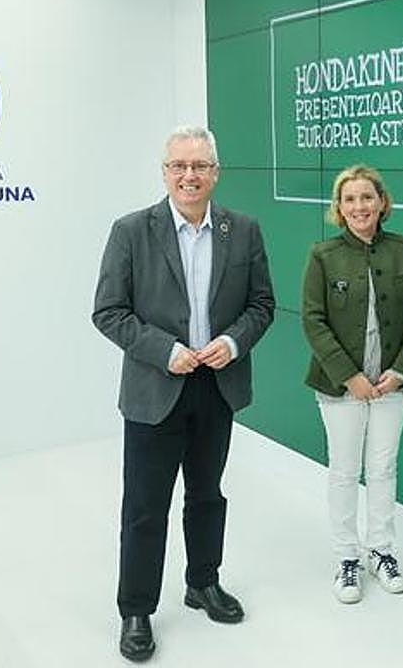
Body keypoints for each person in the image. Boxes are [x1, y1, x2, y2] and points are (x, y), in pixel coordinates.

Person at [93, 125, 274, 662]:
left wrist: (233, 342)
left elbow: (262, 305)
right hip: (156, 389)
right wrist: (163, 349)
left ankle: (203, 583)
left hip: (216, 387)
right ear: (165, 172)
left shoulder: (242, 230)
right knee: (145, 507)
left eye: (200, 166)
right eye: (179, 166)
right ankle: (136, 610)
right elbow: (108, 312)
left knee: (207, 495)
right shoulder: (131, 231)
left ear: (216, 173)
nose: (189, 176)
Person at [301, 165, 403, 604]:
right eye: (350, 199)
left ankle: (382, 551)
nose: (359, 206)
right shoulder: (322, 255)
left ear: (381, 203)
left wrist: (401, 369)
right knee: (344, 471)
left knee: (382, 468)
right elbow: (314, 322)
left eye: (366, 198)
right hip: (342, 387)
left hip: (393, 382)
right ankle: (347, 559)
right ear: (339, 207)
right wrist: (349, 376)